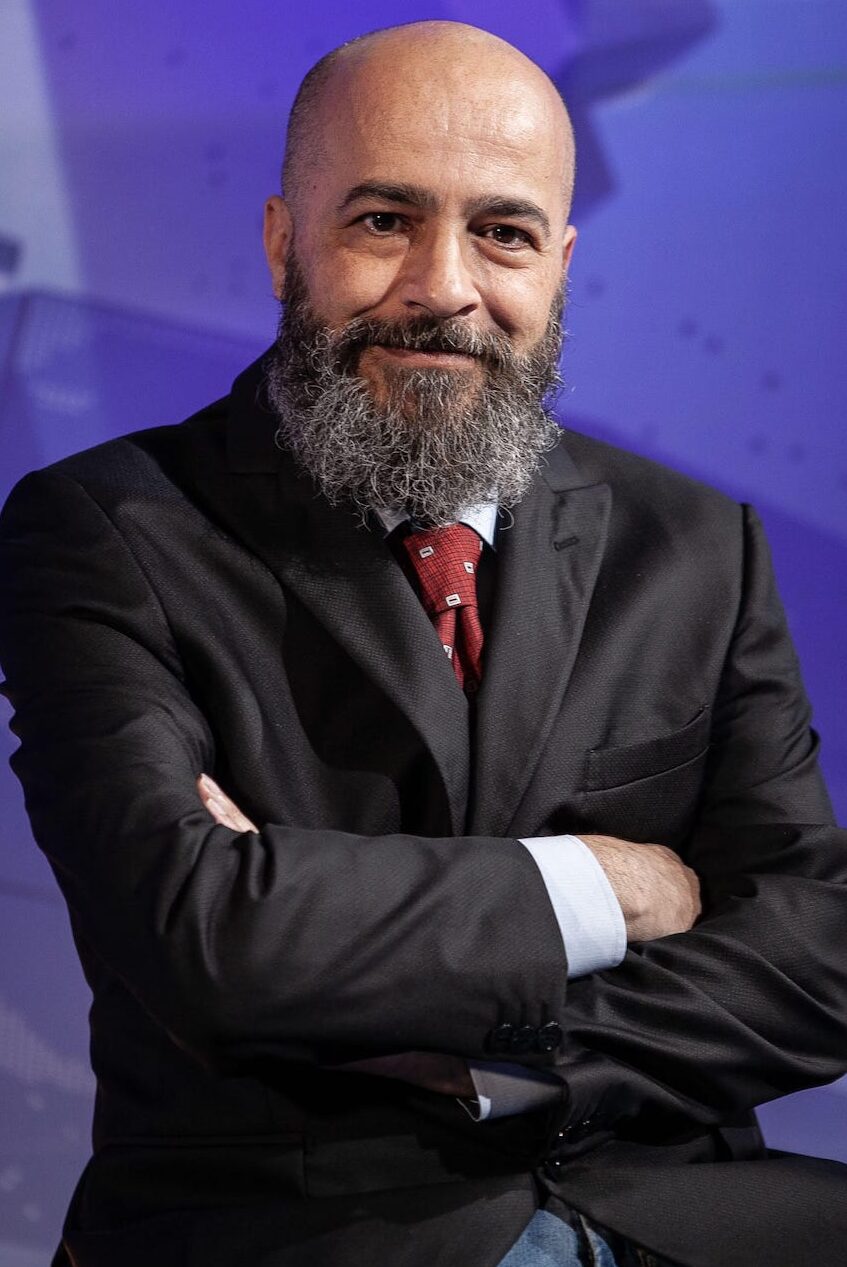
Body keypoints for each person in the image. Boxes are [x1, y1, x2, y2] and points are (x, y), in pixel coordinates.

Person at [1, 20, 846, 1267]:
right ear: (285, 241)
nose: (443, 285)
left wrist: (505, 1065)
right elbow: (205, 933)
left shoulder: (696, 545)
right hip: (302, 1229)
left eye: (501, 232)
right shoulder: (105, 528)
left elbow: (814, 954)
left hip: (678, 1200)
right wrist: (603, 887)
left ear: (559, 264)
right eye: (384, 220)